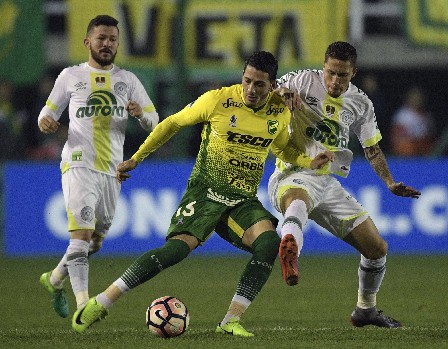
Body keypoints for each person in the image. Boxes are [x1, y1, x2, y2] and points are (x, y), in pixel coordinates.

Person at [70, 50, 333, 336]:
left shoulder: (279, 110)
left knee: (270, 244)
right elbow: (173, 123)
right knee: (175, 251)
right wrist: (137, 157)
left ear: (272, 84)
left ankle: (230, 321)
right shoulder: (217, 100)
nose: (251, 89)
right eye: (247, 81)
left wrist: (309, 161)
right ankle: (103, 301)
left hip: (241, 201)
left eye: (259, 84)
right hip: (205, 194)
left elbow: (281, 147)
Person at [269, 41, 421, 328]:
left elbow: (372, 149)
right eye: (331, 73)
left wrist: (389, 182)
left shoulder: (361, 103)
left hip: (327, 182)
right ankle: (290, 250)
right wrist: (281, 91)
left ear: (354, 73)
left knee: (377, 249)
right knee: (299, 198)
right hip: (292, 171)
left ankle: (365, 310)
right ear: (323, 66)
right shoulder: (302, 79)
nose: (335, 81)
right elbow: (270, 85)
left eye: (343, 75)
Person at [38, 15, 159, 318]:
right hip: (78, 163)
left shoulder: (127, 80)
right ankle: (83, 306)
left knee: (94, 243)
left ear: (118, 43)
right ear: (87, 41)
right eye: (101, 38)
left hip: (112, 171)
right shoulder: (70, 76)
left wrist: (140, 115)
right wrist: (47, 122)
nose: (107, 44)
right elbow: (46, 113)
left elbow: (154, 121)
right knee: (80, 235)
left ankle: (54, 279)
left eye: (113, 39)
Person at [390, 86, 436, 156]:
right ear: (408, 98)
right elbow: (397, 139)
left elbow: (430, 137)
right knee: (407, 146)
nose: (417, 99)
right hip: (408, 151)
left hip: (424, 149)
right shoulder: (403, 115)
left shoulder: (427, 116)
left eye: (419, 97)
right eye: (414, 97)